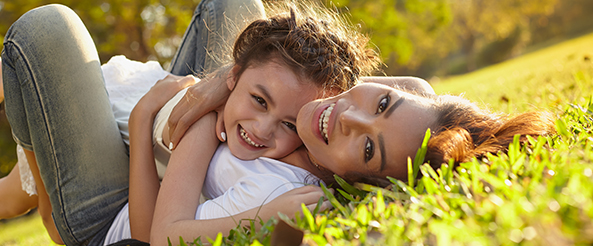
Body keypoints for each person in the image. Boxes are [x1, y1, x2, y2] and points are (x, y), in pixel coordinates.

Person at [0, 0, 381, 245]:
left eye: (288, 125)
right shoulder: (271, 116)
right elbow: (410, 92)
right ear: (233, 77)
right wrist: (223, 83)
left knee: (47, 28)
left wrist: (143, 117)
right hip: (154, 135)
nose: (263, 130)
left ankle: (39, 189)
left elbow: (152, 235)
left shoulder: (283, 181)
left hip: (115, 209)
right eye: (259, 100)